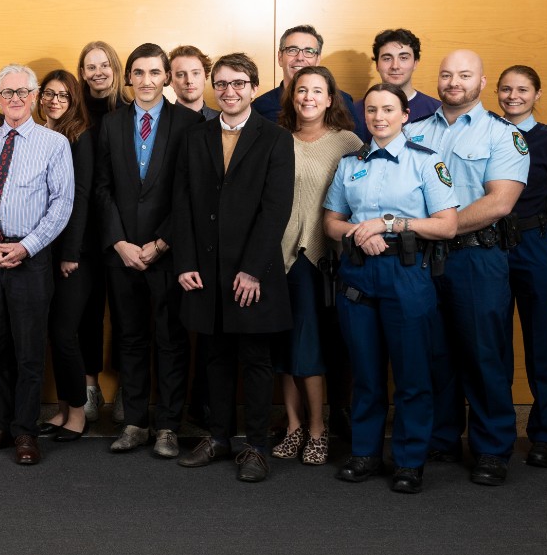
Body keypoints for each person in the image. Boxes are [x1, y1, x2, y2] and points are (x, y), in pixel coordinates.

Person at [324, 84, 458, 493]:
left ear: (404, 116)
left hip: (407, 272)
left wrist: (390, 224)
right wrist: (358, 233)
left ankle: (409, 460)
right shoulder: (350, 163)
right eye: (372, 111)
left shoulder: (426, 162)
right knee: (365, 372)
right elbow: (331, 221)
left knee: (412, 373)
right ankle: (365, 453)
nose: (379, 117)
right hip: (359, 272)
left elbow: (447, 224)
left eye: (388, 110)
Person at [411, 50, 529, 486]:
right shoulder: (414, 129)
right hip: (423, 258)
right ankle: (442, 436)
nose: (453, 82)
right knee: (434, 351)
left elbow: (500, 201)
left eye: (464, 75)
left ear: (482, 83)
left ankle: (492, 447)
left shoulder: (503, 135)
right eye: (446, 74)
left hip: (476, 256)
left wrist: (440, 227)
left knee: (483, 352)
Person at [174, 52, 294, 483]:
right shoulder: (194, 137)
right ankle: (219, 438)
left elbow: (275, 210)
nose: (229, 91)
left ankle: (257, 447)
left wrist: (253, 270)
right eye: (221, 84)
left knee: (256, 360)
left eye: (238, 83)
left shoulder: (276, 139)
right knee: (215, 357)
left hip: (252, 272)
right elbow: (182, 203)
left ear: (254, 87)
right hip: (205, 270)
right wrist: (184, 262)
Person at [0, 64, 75, 467]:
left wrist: (26, 247)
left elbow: (62, 205)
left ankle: (25, 431)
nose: (14, 99)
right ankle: (1, 425)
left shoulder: (54, 144)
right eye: (6, 93)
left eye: (22, 92)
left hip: (30, 261)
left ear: (34, 94)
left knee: (28, 352)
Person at [93, 44, 203, 458]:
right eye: (137, 73)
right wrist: (120, 243)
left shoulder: (190, 124)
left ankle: (168, 428)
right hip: (122, 254)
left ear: (167, 78)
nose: (145, 81)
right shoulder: (112, 125)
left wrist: (159, 244)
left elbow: (191, 194)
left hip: (167, 252)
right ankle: (136, 423)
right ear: (129, 78)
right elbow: (102, 188)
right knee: (131, 339)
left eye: (154, 73)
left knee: (171, 341)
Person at [270, 66, 362, 467]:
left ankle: (318, 431)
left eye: (317, 91)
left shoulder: (348, 142)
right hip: (276, 257)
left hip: (319, 259)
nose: (307, 96)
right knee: (282, 348)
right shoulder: (275, 140)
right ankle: (292, 427)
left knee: (309, 349)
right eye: (301, 90)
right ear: (292, 97)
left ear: (330, 99)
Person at [496, 65, 547, 468]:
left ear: (537, 93)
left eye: (522, 89)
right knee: (493, 344)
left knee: (542, 341)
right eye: (506, 89)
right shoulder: (488, 133)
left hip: (535, 245)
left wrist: (542, 234)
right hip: (491, 244)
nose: (513, 96)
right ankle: (496, 433)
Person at [35, 69, 97, 443]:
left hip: (75, 254)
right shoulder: (40, 136)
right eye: (49, 94)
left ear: (74, 102)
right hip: (45, 248)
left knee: (64, 333)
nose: (55, 101)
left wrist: (71, 251)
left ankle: (78, 414)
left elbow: (82, 197)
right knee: (53, 334)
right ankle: (61, 410)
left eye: (64, 96)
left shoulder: (81, 137)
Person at [76, 40, 129, 421]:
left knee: (127, 314)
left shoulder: (131, 111)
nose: (97, 72)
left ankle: (129, 387)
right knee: (88, 312)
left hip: (125, 228)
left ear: (116, 68)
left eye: (104, 65)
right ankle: (90, 388)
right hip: (84, 230)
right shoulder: (73, 112)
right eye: (90, 66)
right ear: (82, 72)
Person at [350, 28, 440, 143]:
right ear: (377, 64)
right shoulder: (354, 112)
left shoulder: (436, 111)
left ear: (415, 63)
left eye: (403, 58)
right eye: (387, 58)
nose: (395, 66)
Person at [251, 25, 353, 123]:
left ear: (318, 60)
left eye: (309, 51)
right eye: (292, 50)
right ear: (280, 58)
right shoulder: (260, 107)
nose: (300, 57)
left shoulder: (343, 102)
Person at [167, 45, 219, 119]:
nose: (189, 81)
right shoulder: (157, 123)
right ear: (170, 80)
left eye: (196, 73)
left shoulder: (223, 122)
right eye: (181, 75)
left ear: (205, 76)